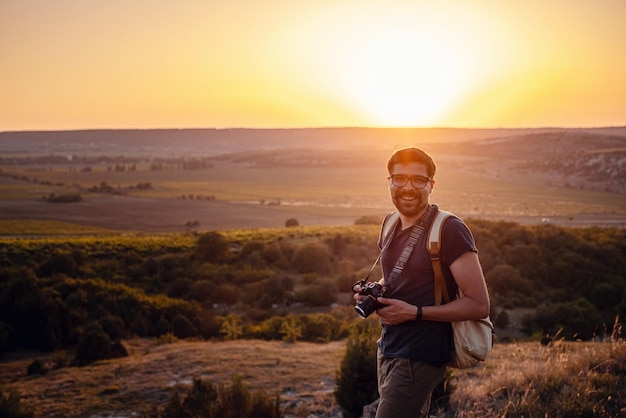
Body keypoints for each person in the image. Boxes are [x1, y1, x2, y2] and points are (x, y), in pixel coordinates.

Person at [353, 147, 490, 418]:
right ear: (389, 181)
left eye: (418, 180)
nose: (408, 187)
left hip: (422, 353)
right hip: (388, 346)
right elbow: (395, 277)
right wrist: (373, 293)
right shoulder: (390, 223)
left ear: (431, 185)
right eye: (399, 178)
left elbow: (479, 305)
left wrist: (414, 312)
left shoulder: (449, 229)